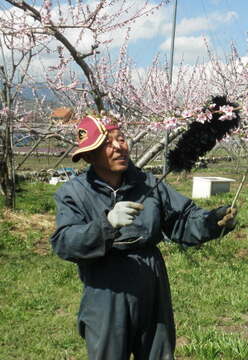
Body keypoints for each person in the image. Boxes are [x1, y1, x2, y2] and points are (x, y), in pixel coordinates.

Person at [50, 115, 237, 360]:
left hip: (151, 280)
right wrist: (105, 225)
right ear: (88, 156)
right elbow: (65, 242)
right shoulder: (73, 193)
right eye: (107, 143)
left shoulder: (147, 184)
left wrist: (212, 222)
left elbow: (181, 219)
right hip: (106, 286)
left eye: (121, 139)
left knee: (157, 353)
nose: (119, 147)